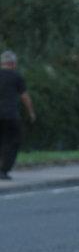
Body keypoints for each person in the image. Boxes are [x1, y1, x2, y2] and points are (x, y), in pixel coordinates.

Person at [0, 50, 35, 180]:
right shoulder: (16, 76)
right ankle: (3, 170)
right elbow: (25, 97)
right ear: (13, 63)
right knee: (12, 141)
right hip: (10, 115)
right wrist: (31, 112)